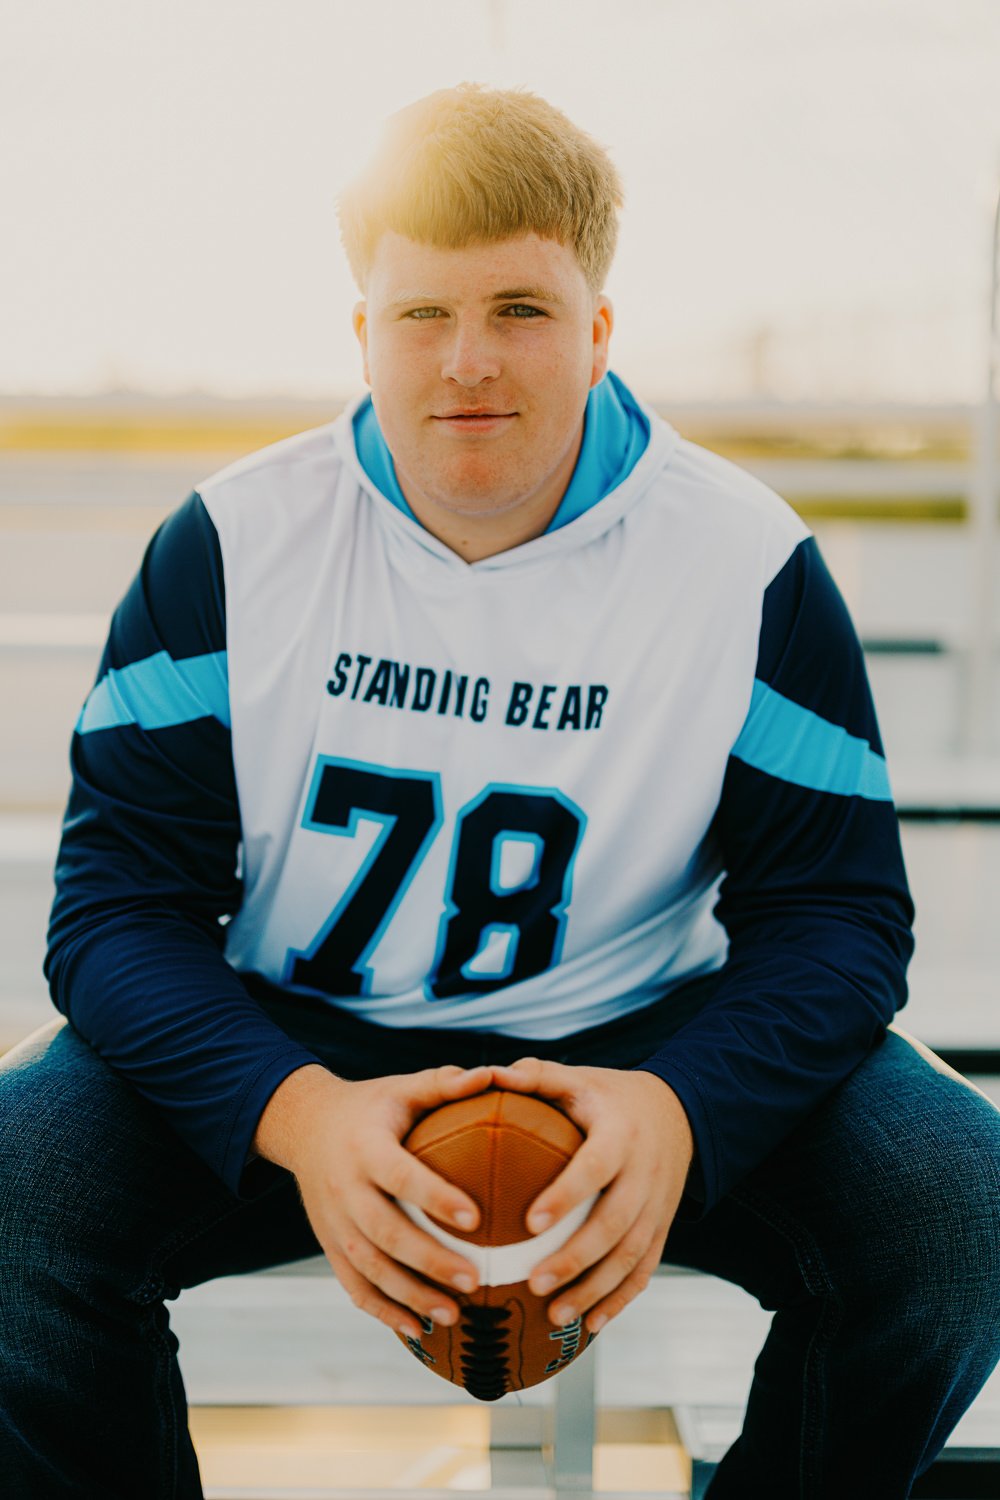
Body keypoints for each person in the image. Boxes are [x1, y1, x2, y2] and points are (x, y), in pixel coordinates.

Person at [1, 83, 998, 1500]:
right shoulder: (230, 545)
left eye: (522, 309)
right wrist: (297, 1114)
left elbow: (838, 918)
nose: (468, 361)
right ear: (361, 332)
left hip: (638, 1038)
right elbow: (112, 914)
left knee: (964, 1212)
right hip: (299, 1031)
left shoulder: (745, 563)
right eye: (421, 315)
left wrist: (683, 1109)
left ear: (600, 327)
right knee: (10, 1205)